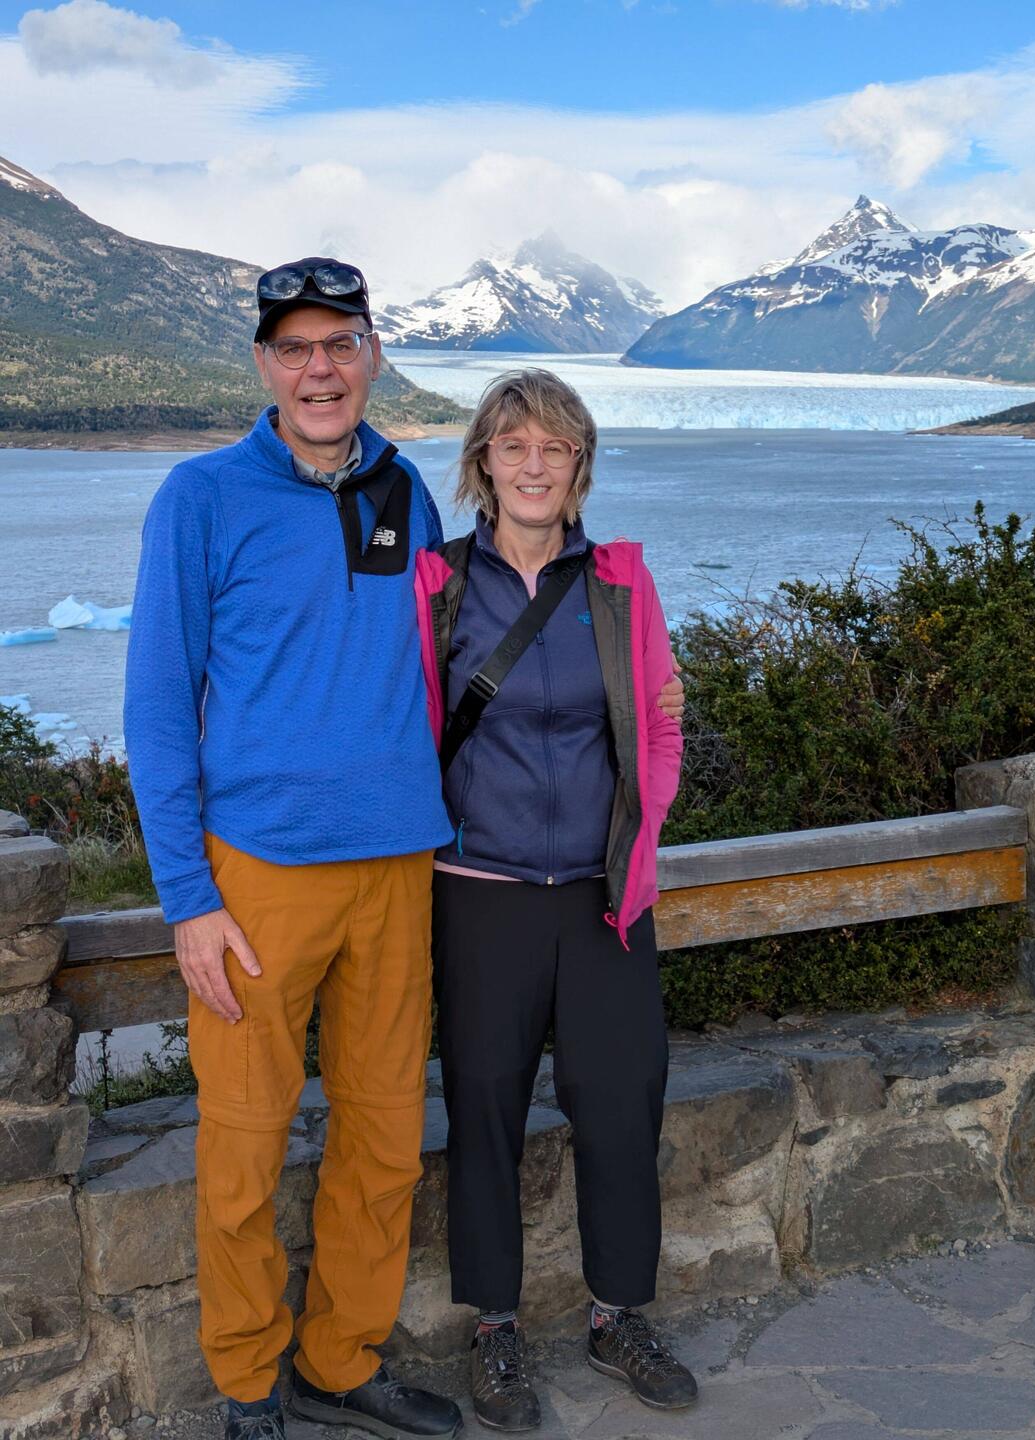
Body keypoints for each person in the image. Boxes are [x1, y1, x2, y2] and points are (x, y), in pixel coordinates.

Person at [124, 259, 465, 1440]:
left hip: (398, 863)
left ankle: (341, 1358)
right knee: (244, 1146)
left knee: (382, 1138)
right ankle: (245, 1381)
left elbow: (433, 663)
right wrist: (187, 897)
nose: (319, 368)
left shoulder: (404, 489)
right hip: (257, 874)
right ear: (264, 364)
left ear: (373, 354)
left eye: (341, 344)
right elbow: (161, 705)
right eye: (295, 348)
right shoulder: (202, 496)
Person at [414, 369, 698, 1433]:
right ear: (482, 461)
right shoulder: (437, 583)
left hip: (599, 897)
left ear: (581, 467)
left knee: (621, 1105)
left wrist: (640, 838)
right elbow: (406, 725)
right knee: (482, 1110)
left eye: (557, 448)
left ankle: (617, 1312)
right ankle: (494, 1329)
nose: (535, 465)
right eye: (513, 445)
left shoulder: (619, 581)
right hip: (477, 893)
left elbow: (660, 720)